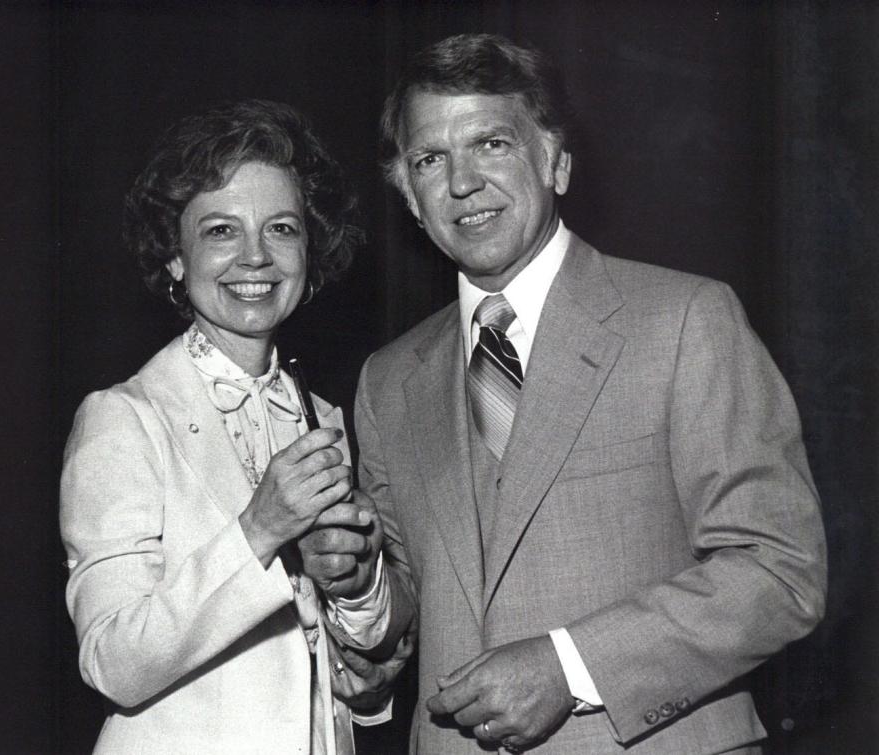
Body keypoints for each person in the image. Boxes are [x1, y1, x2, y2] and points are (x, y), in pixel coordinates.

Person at [300, 34, 827, 754]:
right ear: (410, 200)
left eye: (490, 143)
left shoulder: (683, 321)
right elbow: (408, 605)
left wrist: (570, 665)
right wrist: (362, 585)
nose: (462, 182)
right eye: (430, 159)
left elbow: (780, 570)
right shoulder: (387, 379)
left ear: (556, 161)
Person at [60, 99, 403, 754]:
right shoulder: (123, 419)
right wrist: (261, 529)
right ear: (175, 258)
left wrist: (359, 583)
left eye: (281, 228)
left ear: (310, 251)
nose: (256, 257)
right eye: (221, 230)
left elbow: (352, 661)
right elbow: (111, 661)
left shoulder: (320, 416)